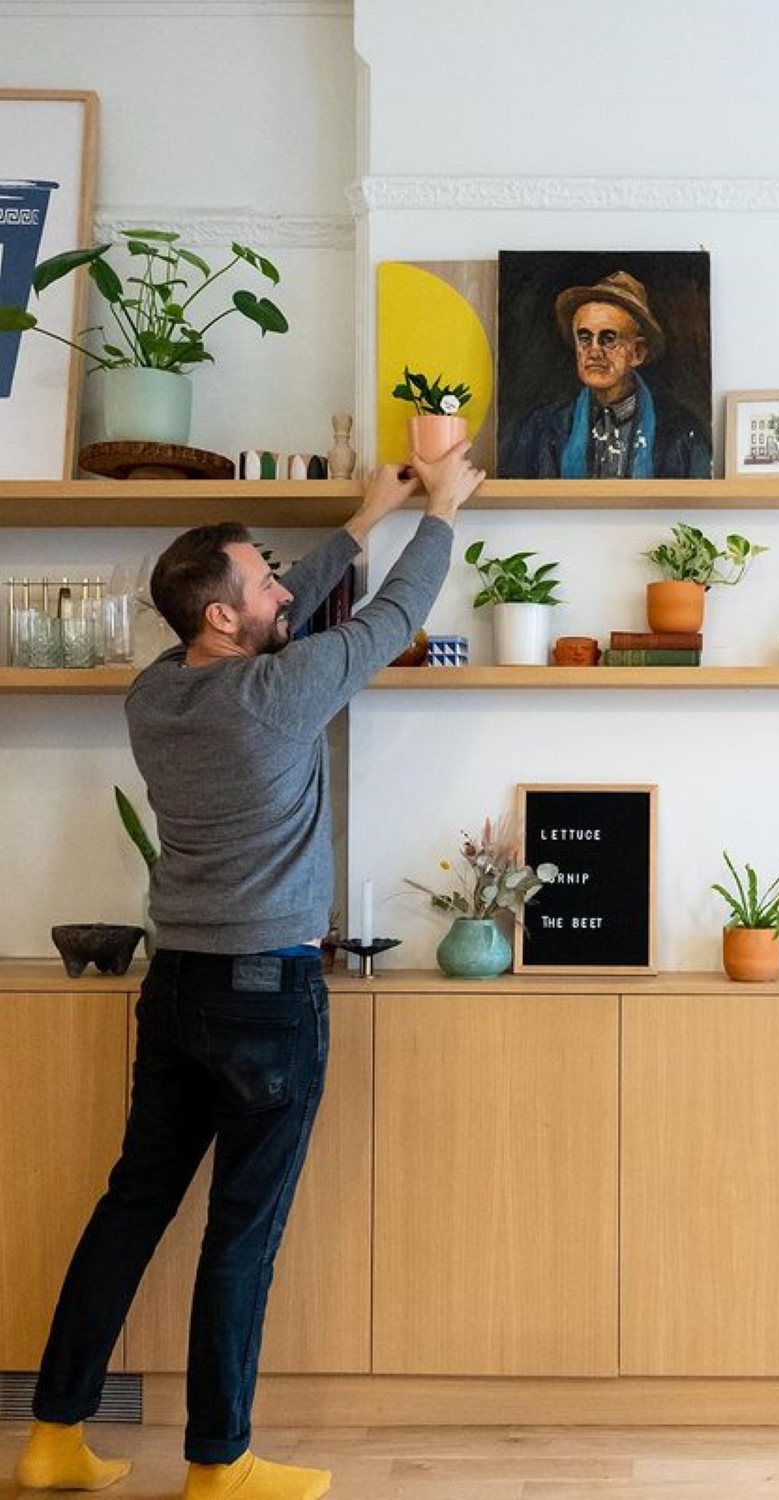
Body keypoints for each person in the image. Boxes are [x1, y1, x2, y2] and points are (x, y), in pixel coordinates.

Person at [14, 445, 484, 1500]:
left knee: (129, 1207)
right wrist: (438, 515)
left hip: (175, 983)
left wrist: (362, 521)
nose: (284, 590)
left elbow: (284, 611)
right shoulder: (280, 693)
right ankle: (219, 1465)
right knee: (240, 1237)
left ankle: (51, 1438)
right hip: (266, 998)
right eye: (263, 579)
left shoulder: (153, 695)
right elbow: (390, 621)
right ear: (222, 616)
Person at [502, 269, 712, 480]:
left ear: (637, 353)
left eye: (608, 338)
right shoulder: (543, 427)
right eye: (584, 338)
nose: (593, 351)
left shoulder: (681, 432)